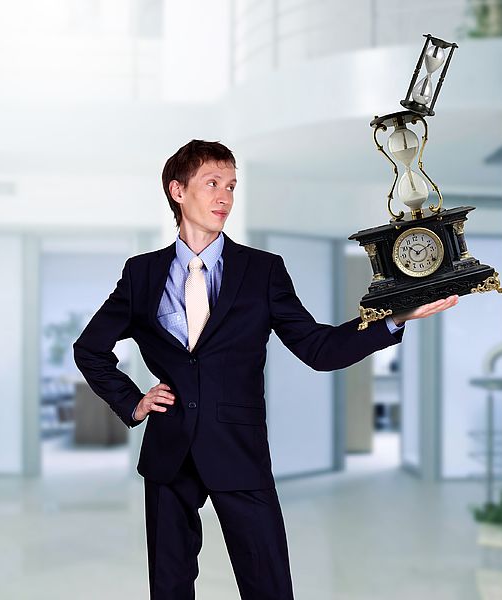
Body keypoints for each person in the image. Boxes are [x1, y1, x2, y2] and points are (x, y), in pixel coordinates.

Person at [73, 139, 458, 599]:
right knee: (169, 588)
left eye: (232, 186)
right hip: (169, 451)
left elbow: (319, 349)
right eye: (212, 184)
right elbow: (90, 349)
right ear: (178, 191)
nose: (224, 197)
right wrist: (133, 402)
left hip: (239, 447)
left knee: (268, 585)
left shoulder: (262, 271)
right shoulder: (142, 274)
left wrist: (393, 319)